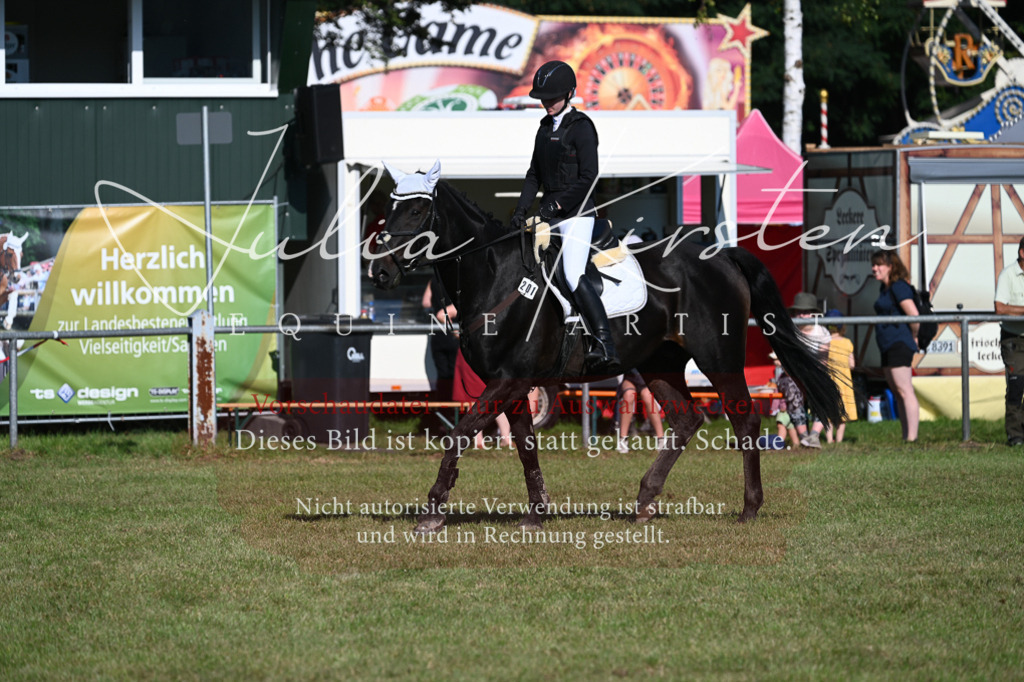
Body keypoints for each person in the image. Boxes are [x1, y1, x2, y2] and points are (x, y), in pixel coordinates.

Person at [510, 60, 620, 374]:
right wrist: (520, 211)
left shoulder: (582, 127)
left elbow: (589, 177)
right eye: (543, 98)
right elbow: (534, 175)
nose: (547, 103)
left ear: (569, 94)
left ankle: (604, 342)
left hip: (577, 214)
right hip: (549, 215)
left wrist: (554, 207)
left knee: (572, 274)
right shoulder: (544, 129)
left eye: (553, 98)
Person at [870, 250, 921, 443]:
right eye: (873, 265)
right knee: (897, 392)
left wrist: (914, 336)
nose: (874, 268)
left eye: (879, 264)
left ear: (891, 266)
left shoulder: (899, 287)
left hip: (899, 343)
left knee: (905, 389)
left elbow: (914, 316)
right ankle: (906, 435)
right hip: (887, 345)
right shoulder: (884, 289)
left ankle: (912, 438)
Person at [993, 236, 1024, 446]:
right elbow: (1000, 308)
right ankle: (1015, 436)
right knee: (1016, 387)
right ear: (1022, 253)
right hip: (1014, 340)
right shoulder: (1009, 274)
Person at [789, 292, 830, 448]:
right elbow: (787, 361)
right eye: (799, 311)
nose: (802, 315)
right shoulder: (789, 332)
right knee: (791, 387)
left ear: (813, 314)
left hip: (815, 373)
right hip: (794, 374)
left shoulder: (822, 332)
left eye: (806, 312)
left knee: (825, 387)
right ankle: (804, 436)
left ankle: (814, 436)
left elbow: (823, 361)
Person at [823, 309, 857, 443]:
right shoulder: (847, 342)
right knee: (842, 415)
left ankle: (829, 440)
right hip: (844, 383)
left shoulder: (825, 342)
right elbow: (852, 364)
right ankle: (839, 440)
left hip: (829, 382)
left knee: (828, 414)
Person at [616, 369, 666, 453]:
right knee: (628, 395)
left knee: (647, 396)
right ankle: (622, 439)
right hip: (630, 377)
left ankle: (661, 438)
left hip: (647, 378)